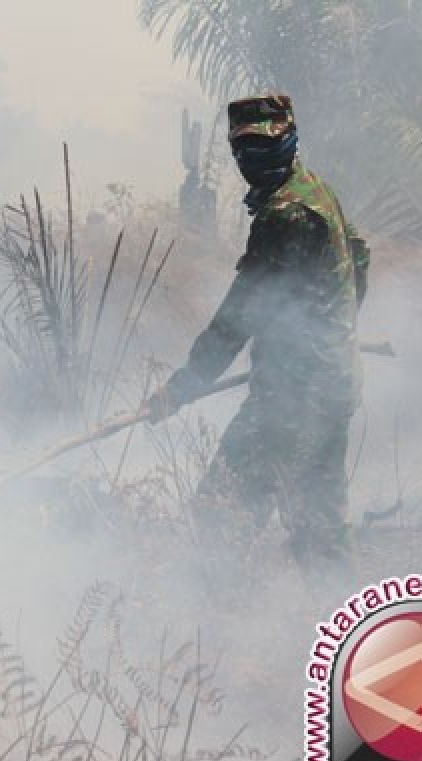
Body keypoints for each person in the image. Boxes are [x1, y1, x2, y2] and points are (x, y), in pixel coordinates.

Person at [141, 93, 370, 567]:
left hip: (292, 397)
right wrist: (334, 327)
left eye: (268, 146)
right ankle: (347, 624)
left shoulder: (285, 214)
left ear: (290, 139)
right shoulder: (314, 190)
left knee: (218, 511)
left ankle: (221, 622)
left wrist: (184, 385)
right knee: (320, 526)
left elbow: (241, 313)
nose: (256, 159)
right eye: (246, 150)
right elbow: (359, 256)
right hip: (334, 381)